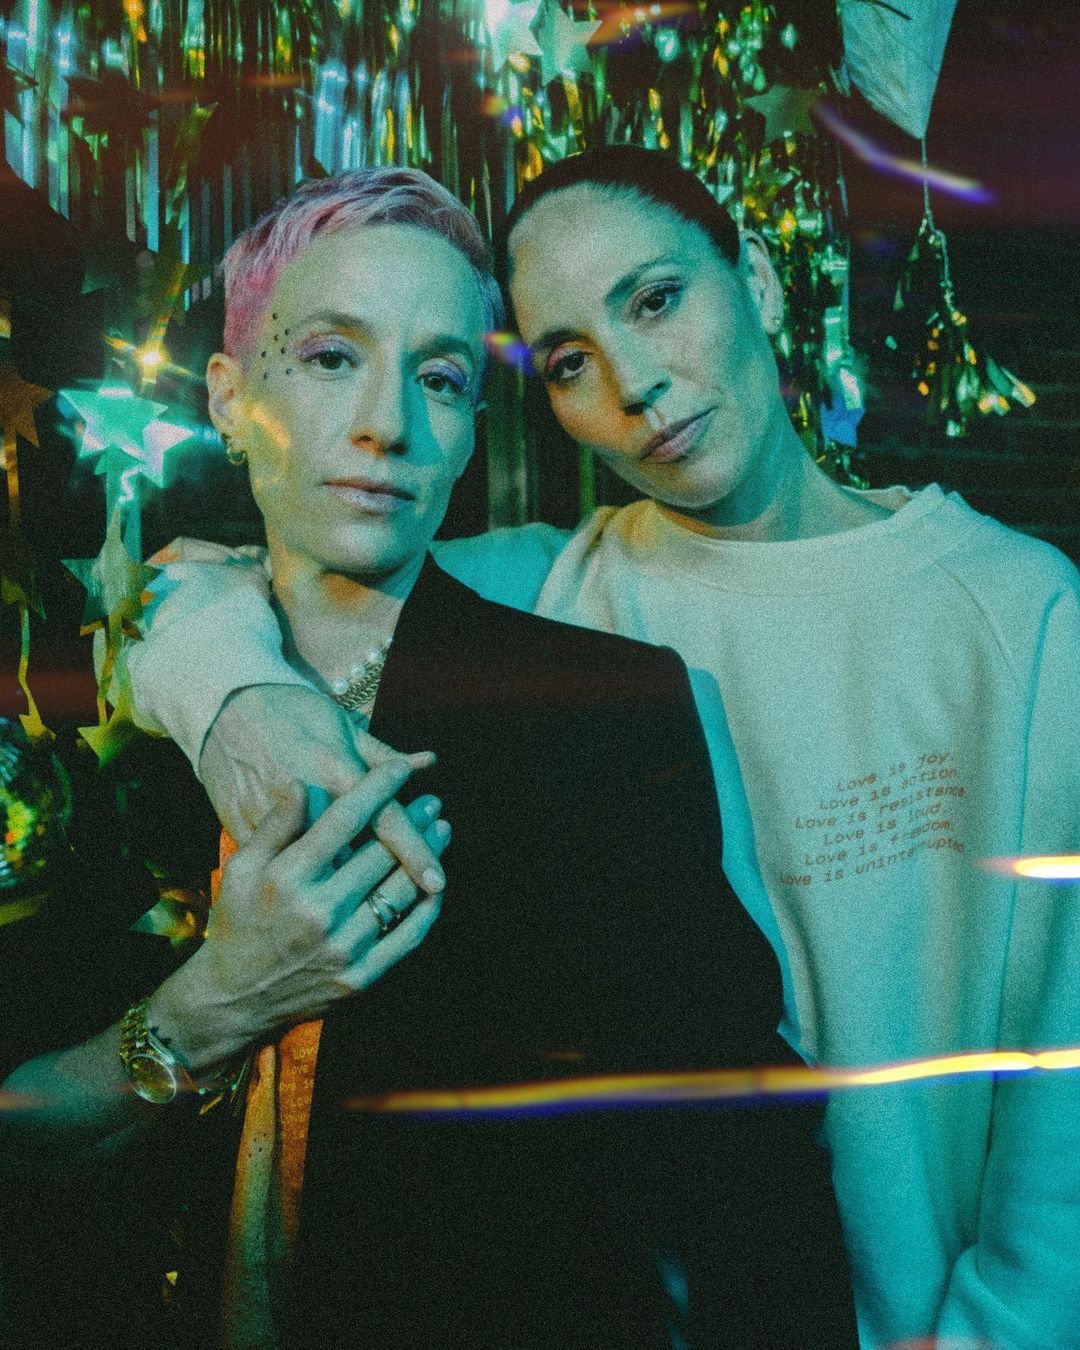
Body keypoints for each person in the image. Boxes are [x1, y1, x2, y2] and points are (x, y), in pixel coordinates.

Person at [120, 145, 1080, 1349]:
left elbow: (1065, 1089)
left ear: (757, 279)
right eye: (570, 359)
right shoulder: (553, 587)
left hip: (957, 1309)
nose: (636, 384)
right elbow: (219, 585)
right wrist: (235, 696)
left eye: (658, 299)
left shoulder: (1021, 613)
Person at [0, 165, 856, 1349]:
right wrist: (206, 1011)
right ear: (228, 398)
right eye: (330, 357)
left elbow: (743, 1172)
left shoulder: (597, 716)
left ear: (468, 435)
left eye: (442, 378)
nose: (388, 424)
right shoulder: (89, 723)